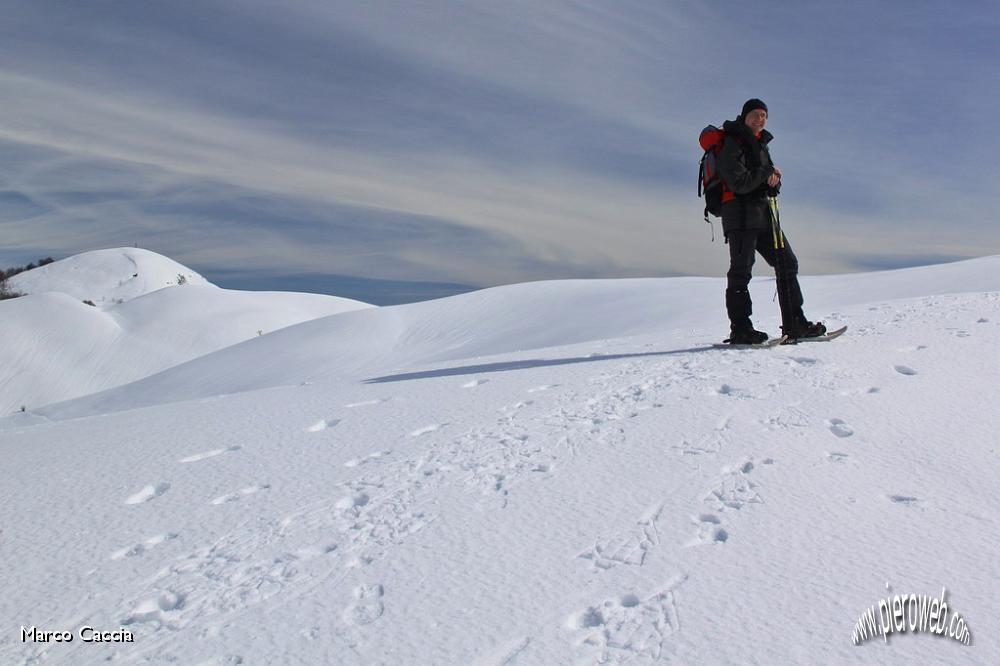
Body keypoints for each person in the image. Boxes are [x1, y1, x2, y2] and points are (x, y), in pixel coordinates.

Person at [716, 98, 825, 344]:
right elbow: (738, 182)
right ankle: (741, 329)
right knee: (741, 271)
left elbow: (762, 179)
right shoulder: (733, 142)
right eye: (755, 114)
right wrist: (768, 173)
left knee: (787, 262)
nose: (760, 119)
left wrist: (774, 182)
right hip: (740, 214)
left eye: (764, 115)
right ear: (744, 117)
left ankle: (794, 323)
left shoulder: (761, 145)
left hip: (762, 213)